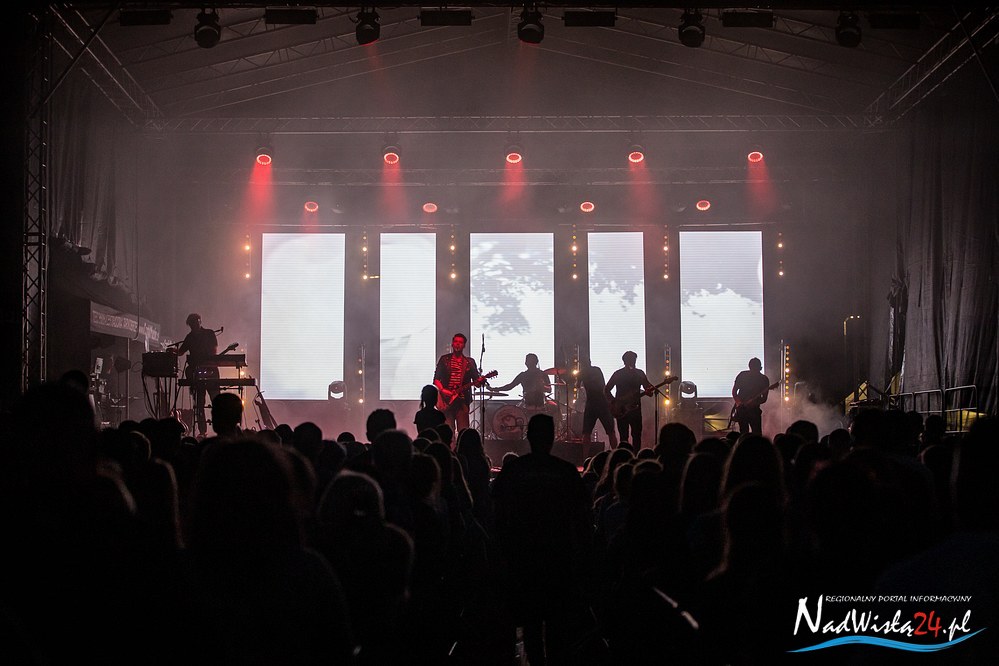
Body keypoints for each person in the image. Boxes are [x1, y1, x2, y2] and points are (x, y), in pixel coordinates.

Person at [171, 313, 218, 437]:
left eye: (195, 322)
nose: (194, 325)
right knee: (199, 403)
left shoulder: (209, 333)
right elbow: (181, 352)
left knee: (216, 401)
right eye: (192, 324)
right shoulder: (190, 337)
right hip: (197, 373)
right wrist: (173, 350)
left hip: (210, 371)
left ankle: (220, 428)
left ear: (200, 321)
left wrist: (205, 359)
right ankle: (203, 431)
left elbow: (214, 351)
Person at [433, 333, 486, 435]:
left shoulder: (469, 362)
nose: (457, 344)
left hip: (462, 401)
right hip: (446, 400)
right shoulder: (444, 359)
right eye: (456, 341)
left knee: (463, 431)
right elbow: (436, 379)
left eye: (460, 342)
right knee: (448, 432)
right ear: (452, 344)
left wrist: (480, 381)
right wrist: (443, 391)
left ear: (464, 345)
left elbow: (476, 383)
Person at [605, 351, 654, 449]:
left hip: (635, 409)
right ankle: (626, 455)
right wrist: (614, 402)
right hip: (621, 409)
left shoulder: (639, 374)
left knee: (636, 435)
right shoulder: (618, 374)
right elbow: (606, 389)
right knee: (624, 436)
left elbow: (648, 389)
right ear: (625, 361)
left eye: (634, 360)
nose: (633, 362)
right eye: (630, 360)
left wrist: (649, 391)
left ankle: (635, 455)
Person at [579, 359, 618, 449]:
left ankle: (585, 455)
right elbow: (603, 386)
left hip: (591, 404)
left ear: (581, 364)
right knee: (611, 432)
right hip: (603, 403)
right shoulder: (597, 370)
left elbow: (577, 385)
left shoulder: (582, 372)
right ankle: (615, 452)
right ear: (590, 362)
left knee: (586, 433)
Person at [731, 357, 772, 435]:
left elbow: (764, 399)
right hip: (742, 410)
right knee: (744, 433)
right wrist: (739, 403)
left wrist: (753, 403)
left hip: (754, 411)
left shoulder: (763, 379)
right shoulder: (742, 375)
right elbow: (734, 392)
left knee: (756, 433)